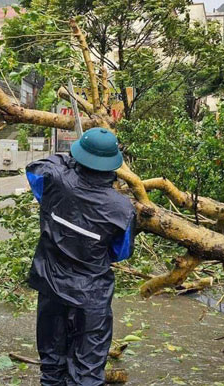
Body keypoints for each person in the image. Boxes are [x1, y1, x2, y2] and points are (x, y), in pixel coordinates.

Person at [25, 127, 136, 385]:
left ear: (78, 157)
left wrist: (69, 161)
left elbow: (36, 168)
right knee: (86, 371)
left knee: (52, 364)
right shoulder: (122, 209)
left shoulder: (54, 180)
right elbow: (121, 252)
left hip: (51, 287)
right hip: (91, 297)